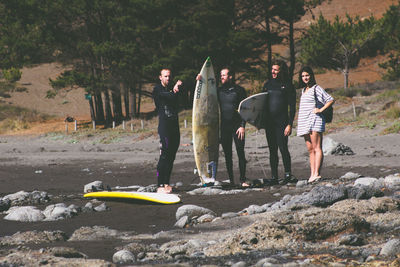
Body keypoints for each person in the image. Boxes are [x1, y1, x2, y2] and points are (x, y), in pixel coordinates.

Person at [196, 68, 248, 187]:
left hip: (237, 127)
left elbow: (245, 109)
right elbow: (206, 92)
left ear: (230, 76)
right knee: (228, 155)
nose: (222, 77)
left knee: (240, 153)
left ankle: (243, 179)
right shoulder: (218, 91)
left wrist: (242, 126)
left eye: (224, 75)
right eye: (221, 75)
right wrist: (201, 81)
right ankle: (231, 180)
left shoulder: (239, 90)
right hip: (224, 127)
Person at [297, 66, 334, 183]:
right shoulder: (303, 90)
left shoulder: (316, 88)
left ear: (311, 75)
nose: (305, 78)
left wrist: (320, 110)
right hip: (304, 121)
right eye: (303, 76)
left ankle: (317, 173)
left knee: (317, 147)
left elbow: (330, 99)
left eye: (307, 75)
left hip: (315, 120)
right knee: (310, 149)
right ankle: (312, 174)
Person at [262, 61, 297, 185]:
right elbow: (261, 104)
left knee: (283, 148)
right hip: (269, 123)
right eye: (272, 69)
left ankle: (287, 174)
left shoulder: (287, 85)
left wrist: (289, 124)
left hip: (282, 122)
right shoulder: (267, 85)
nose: (273, 72)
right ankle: (274, 176)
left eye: (276, 70)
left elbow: (292, 107)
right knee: (272, 150)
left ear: (281, 71)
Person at [152, 69, 182, 193]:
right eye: (165, 76)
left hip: (175, 127)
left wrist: (181, 84)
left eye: (169, 76)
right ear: (160, 77)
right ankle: (159, 185)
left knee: (171, 157)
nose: (168, 79)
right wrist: (175, 89)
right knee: (164, 156)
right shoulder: (157, 89)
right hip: (165, 128)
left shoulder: (173, 89)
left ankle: (166, 183)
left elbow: (182, 94)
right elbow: (168, 96)